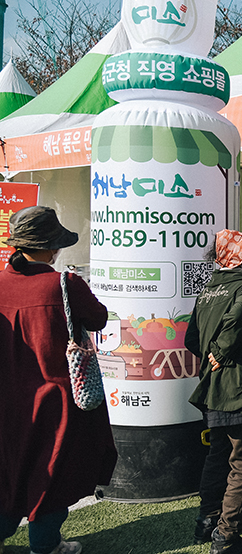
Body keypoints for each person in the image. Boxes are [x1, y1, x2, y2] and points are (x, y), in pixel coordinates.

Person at [0, 207, 117, 554]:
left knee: (8, 471)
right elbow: (98, 319)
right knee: (53, 473)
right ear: (51, 247)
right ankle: (45, 545)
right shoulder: (64, 283)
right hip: (57, 401)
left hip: (7, 402)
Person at [186, 229, 242, 554]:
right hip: (240, 391)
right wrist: (222, 350)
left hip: (212, 388)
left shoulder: (208, 290)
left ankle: (206, 523)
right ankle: (226, 538)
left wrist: (213, 354)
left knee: (218, 455)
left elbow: (191, 339)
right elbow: (241, 315)